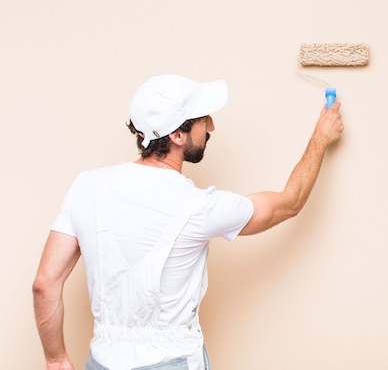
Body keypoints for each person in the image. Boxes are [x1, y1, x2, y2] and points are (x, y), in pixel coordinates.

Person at [32, 74, 344, 370]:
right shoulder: (198, 207)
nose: (211, 126)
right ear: (177, 135)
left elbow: (44, 284)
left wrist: (56, 360)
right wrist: (320, 138)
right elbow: (290, 202)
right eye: (202, 119)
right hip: (172, 361)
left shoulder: (87, 187)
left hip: (102, 360)